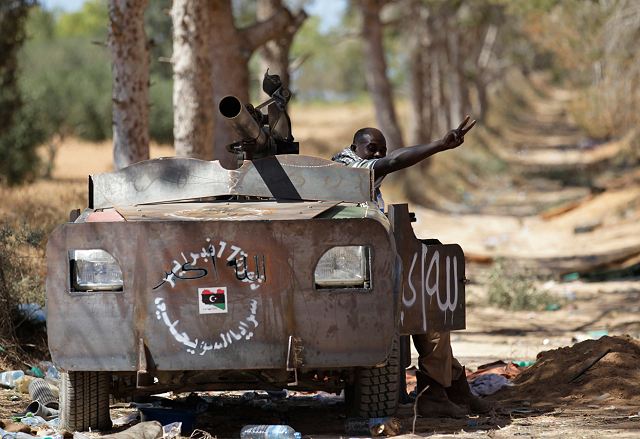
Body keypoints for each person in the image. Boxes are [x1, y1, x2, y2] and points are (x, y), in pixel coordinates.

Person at [331, 117, 491, 418]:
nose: (378, 155)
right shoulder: (349, 168)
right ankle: (439, 393)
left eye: (381, 150)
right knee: (431, 320)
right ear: (355, 148)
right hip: (359, 274)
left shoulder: (356, 172)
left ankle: (450, 390)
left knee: (433, 319)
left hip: (371, 269)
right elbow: (393, 161)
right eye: (372, 149)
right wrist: (439, 145)